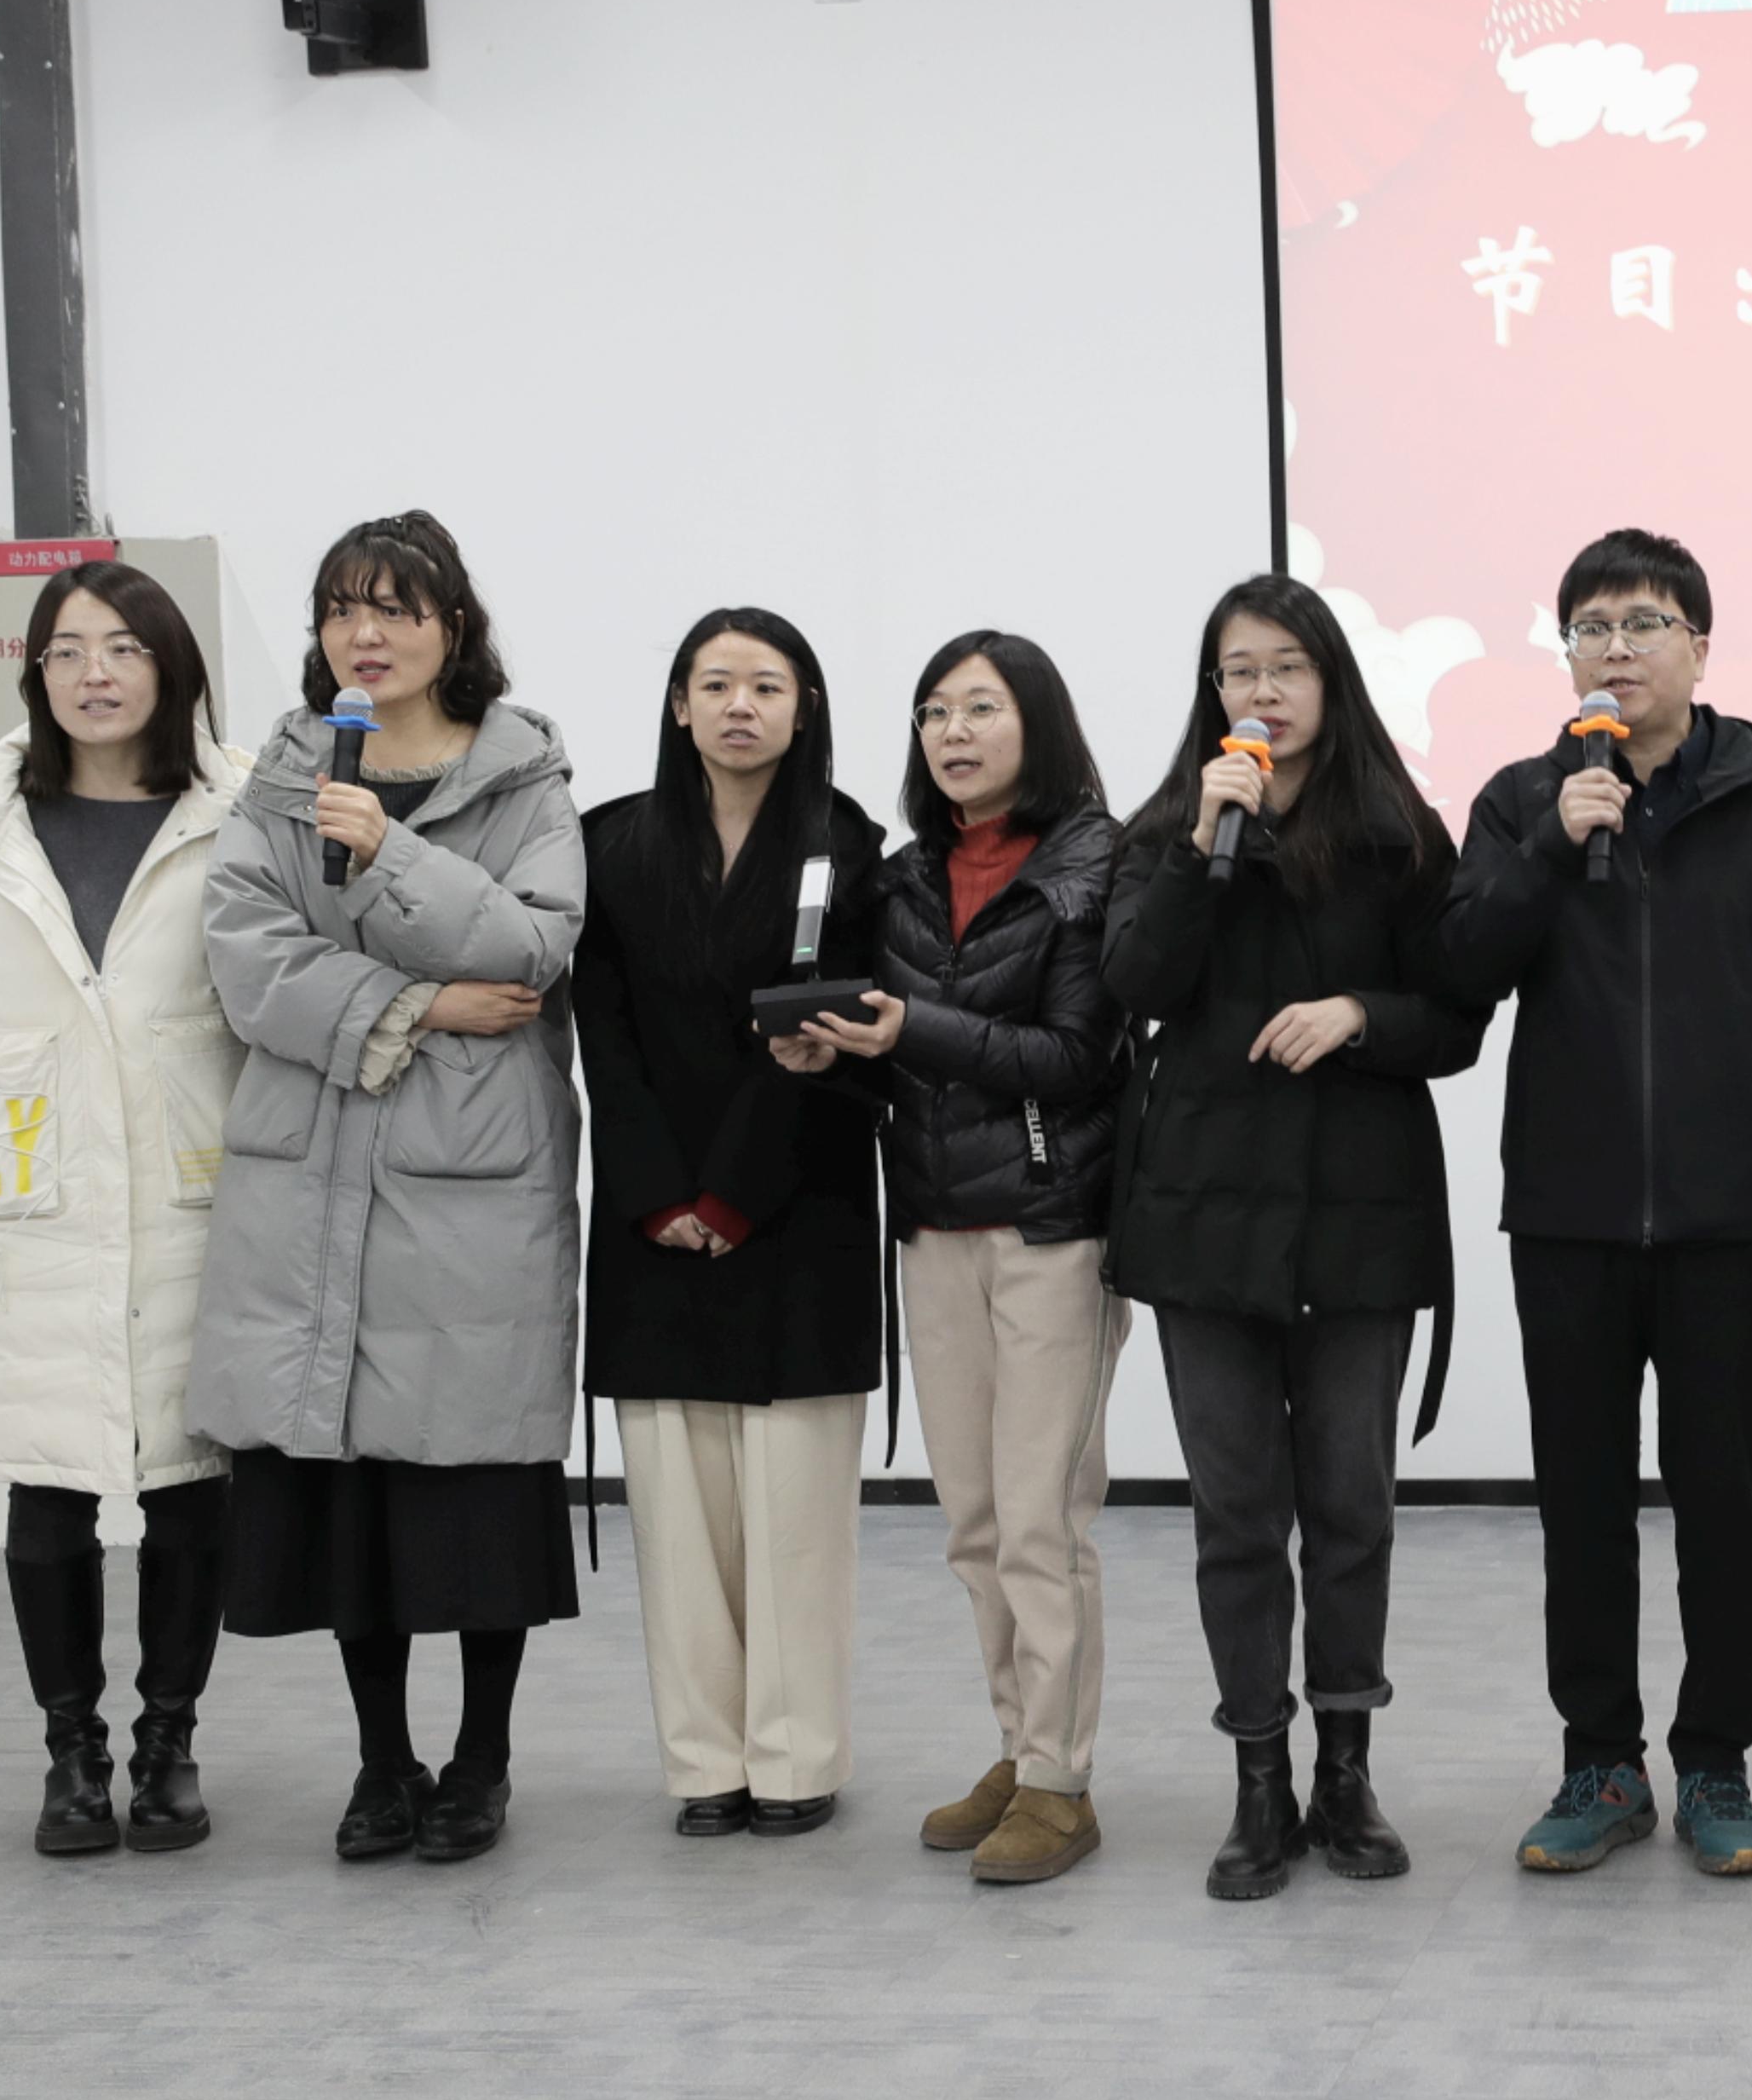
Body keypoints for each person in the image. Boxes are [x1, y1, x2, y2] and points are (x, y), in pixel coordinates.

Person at [1440, 529, 1752, 1880]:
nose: (1616, 649)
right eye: (1592, 628)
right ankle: (1601, 1764)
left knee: (1724, 1506)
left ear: (1699, 646)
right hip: (1567, 1216)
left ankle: (1718, 1764)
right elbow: (1460, 971)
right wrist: (1549, 849)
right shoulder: (1525, 798)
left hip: (1727, 1219)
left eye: (1644, 624)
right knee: (1580, 1506)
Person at [188, 511, 588, 1867]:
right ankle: (380, 1762)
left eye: (397, 608)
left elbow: (531, 948)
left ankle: (481, 1762)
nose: (366, 633)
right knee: (348, 1487)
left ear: (451, 628)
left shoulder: (527, 775)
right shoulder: (286, 775)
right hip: (310, 1168)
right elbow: (245, 958)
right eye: (342, 609)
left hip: (473, 1180)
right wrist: (419, 1003)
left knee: (474, 1484)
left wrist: (390, 854)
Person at [1102, 574, 1487, 1901]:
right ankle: (1257, 1781)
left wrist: (1360, 1016)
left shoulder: (1397, 832)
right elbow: (1134, 984)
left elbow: (1458, 1019)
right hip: (1203, 1219)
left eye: (1285, 667)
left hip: (1358, 1220)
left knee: (1350, 1510)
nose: (1261, 692)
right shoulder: (1172, 825)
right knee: (1235, 1513)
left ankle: (1347, 1775)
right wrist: (1203, 848)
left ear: (1330, 680)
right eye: (1237, 670)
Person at [0, 560, 248, 1856]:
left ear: (170, 666)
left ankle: (167, 1744)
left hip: (191, 1185)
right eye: (66, 650)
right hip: (34, 1195)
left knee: (188, 1486)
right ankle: (71, 1752)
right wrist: (23, 1119)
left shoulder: (234, 810)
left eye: (122, 648)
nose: (93, 673)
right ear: (36, 673)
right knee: (45, 1492)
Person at [794, 630, 1130, 1886]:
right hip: (933, 1224)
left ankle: (1060, 1780)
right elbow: (901, 1056)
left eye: (981, 708)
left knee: (1043, 1521)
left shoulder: (1091, 867)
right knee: (977, 1524)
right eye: (935, 712)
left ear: (1037, 723)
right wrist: (835, 1050)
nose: (953, 733)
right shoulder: (900, 878)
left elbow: (1076, 1059)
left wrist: (911, 1031)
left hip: (1051, 1226)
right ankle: (1018, 1749)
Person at [575, 609, 885, 1843]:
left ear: (804, 709)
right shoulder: (608, 844)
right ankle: (704, 1762)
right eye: (716, 684)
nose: (740, 705)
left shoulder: (851, 847)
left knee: (795, 1521)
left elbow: (825, 1034)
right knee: (678, 1515)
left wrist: (734, 1196)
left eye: (767, 685)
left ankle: (796, 1760)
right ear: (679, 704)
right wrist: (663, 1196)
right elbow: (603, 1037)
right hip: (651, 1214)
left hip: (797, 1206)